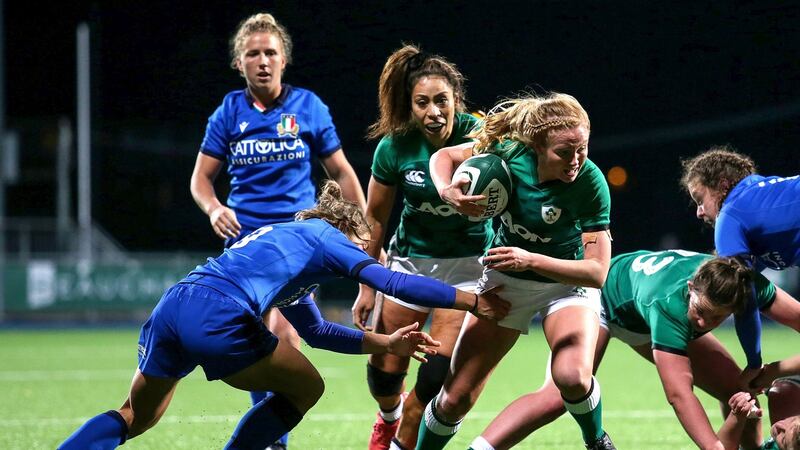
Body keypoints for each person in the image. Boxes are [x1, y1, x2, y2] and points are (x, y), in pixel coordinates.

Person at [57, 181, 510, 450]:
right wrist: (470, 300)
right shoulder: (325, 236)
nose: (362, 254)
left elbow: (315, 331)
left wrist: (387, 343)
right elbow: (392, 282)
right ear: (348, 230)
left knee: (137, 414)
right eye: (362, 244)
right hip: (219, 313)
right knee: (308, 385)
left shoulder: (288, 243)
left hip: (174, 304)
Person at [189, 12, 366, 449]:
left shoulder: (308, 107)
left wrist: (359, 229)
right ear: (239, 63)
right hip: (246, 245)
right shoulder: (229, 112)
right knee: (256, 339)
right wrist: (213, 209)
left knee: (289, 335)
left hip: (296, 242)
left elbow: (341, 171)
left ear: (284, 60)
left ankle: (271, 437)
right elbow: (200, 179)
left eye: (271, 53)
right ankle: (271, 439)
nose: (263, 61)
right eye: (253, 54)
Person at [416, 92, 615, 450]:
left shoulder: (591, 182)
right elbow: (445, 156)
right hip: (506, 279)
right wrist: (447, 191)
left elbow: (597, 272)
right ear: (537, 146)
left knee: (571, 377)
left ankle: (596, 439)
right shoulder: (508, 155)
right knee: (453, 399)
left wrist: (531, 260)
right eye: (564, 152)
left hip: (565, 281)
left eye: (582, 148)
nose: (576, 160)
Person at [470, 250, 800, 450]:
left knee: (737, 390)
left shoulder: (745, 285)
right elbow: (679, 394)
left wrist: (777, 368)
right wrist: (712, 446)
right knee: (561, 394)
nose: (704, 323)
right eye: (701, 311)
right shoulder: (670, 306)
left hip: (641, 302)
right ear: (690, 289)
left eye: (718, 317)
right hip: (603, 297)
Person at [348, 45, 489, 450]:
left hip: (468, 267)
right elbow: (374, 217)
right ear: (410, 107)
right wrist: (366, 284)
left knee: (432, 377)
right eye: (422, 103)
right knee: (383, 375)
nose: (434, 112)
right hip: (408, 265)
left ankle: (408, 428)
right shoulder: (394, 147)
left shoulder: (482, 139)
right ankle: (388, 417)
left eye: (442, 101)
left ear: (456, 101)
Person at [680, 145, 800, 385]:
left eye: (700, 200)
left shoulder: (731, 215)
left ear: (723, 185)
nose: (699, 212)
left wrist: (755, 364)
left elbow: (744, 299)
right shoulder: (762, 196)